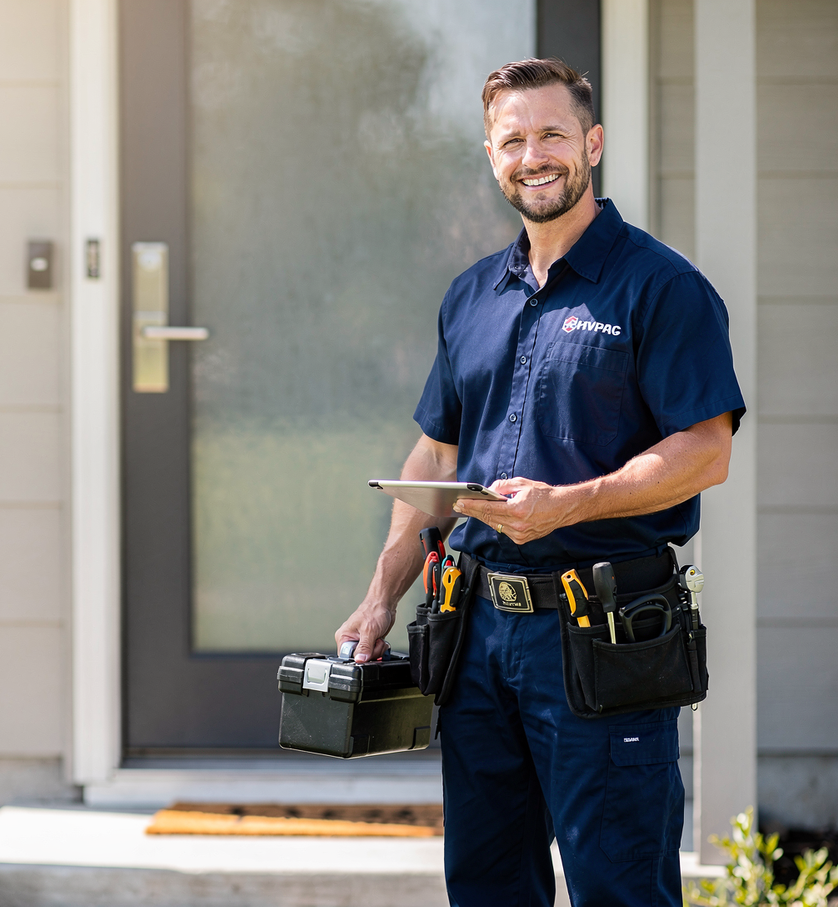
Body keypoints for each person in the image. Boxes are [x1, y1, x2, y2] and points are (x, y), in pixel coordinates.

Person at [335, 58, 746, 906]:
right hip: (473, 635)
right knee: (487, 885)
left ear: (591, 144)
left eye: (553, 134)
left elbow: (706, 450)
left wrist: (571, 504)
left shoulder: (662, 288)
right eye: (513, 140)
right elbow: (436, 458)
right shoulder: (471, 296)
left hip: (602, 637)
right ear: (492, 156)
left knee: (619, 889)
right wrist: (382, 593)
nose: (535, 155)